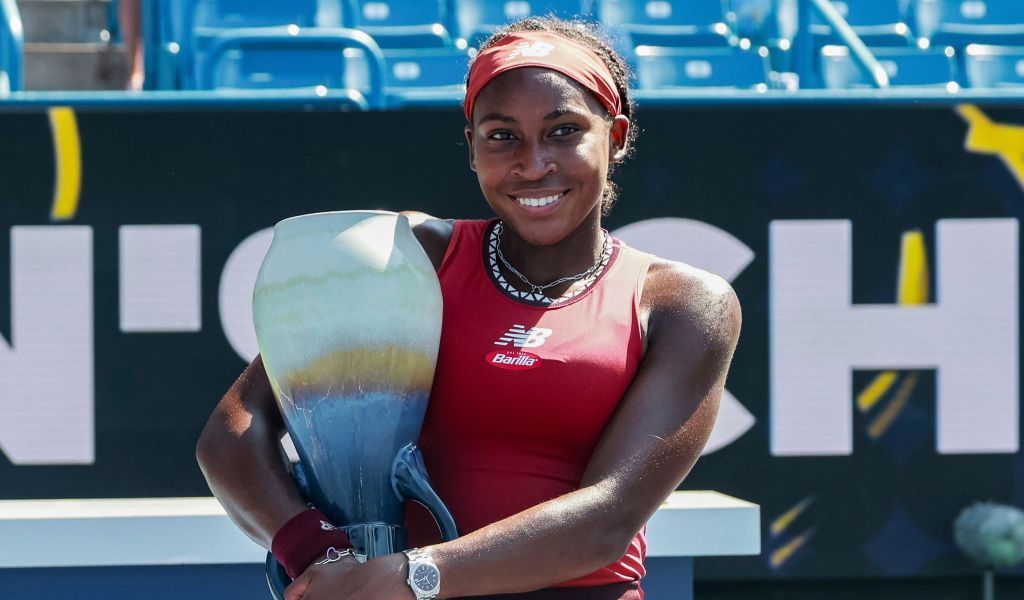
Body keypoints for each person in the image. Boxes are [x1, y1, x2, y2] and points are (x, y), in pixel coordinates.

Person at [196, 16, 741, 600]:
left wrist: (411, 576)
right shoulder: (407, 258)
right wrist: (322, 557)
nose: (533, 164)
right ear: (472, 146)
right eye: (502, 135)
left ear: (616, 137)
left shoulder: (684, 304)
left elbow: (605, 522)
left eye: (563, 131)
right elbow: (233, 433)